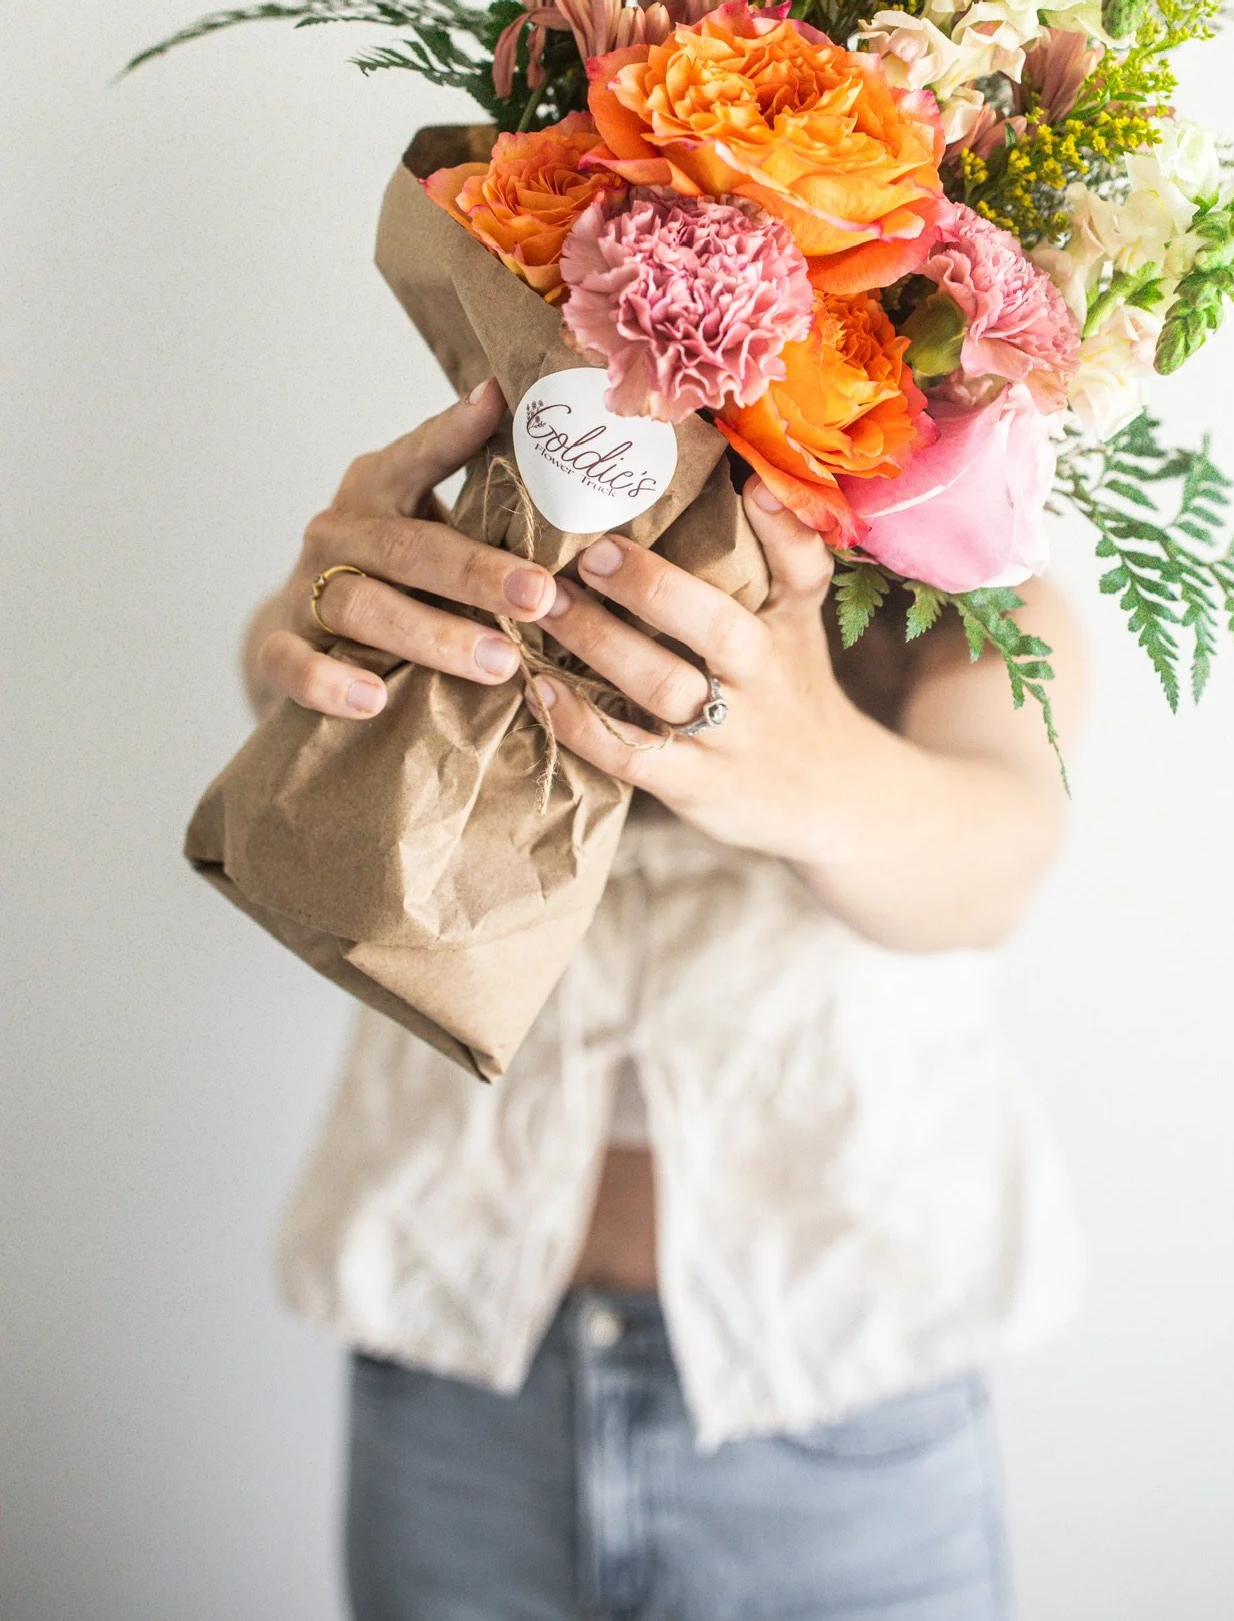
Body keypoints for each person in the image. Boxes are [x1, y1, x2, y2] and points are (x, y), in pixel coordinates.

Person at [244, 375, 1087, 1621]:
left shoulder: (971, 600)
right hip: (452, 1368)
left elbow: (993, 861)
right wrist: (322, 636)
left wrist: (812, 774)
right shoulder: (483, 534)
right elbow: (291, 729)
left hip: (839, 1404)